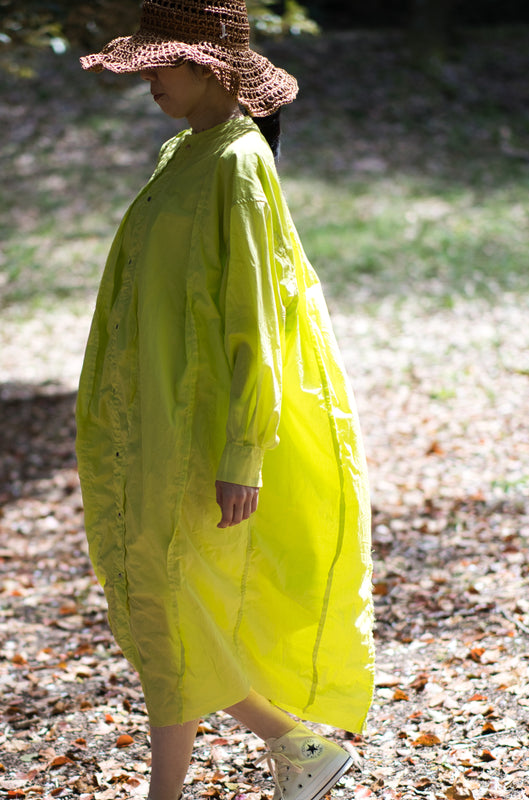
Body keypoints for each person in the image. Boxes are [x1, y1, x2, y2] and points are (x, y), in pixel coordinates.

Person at [75, 2, 374, 800]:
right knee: (163, 608)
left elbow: (259, 315)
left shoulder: (240, 164)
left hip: (199, 428)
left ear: (208, 65)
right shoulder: (183, 151)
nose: (147, 78)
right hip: (152, 419)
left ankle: (205, 779)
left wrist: (243, 449)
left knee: (171, 608)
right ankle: (295, 749)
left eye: (159, 62)